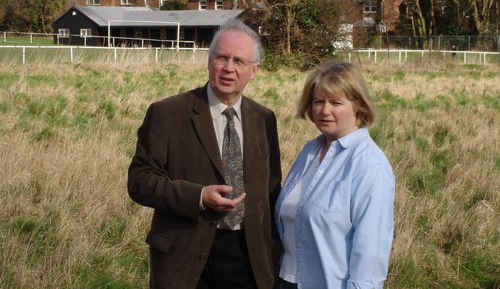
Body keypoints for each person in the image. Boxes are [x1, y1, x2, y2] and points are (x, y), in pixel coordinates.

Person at [128, 18, 282, 289]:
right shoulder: (168, 113)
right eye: (221, 57)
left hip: (249, 258)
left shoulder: (265, 119)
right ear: (209, 61)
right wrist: (198, 197)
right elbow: (140, 182)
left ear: (254, 70)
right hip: (185, 257)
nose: (229, 68)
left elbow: (271, 191)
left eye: (239, 61)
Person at [274, 61, 395, 289]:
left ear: (358, 105)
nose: (324, 110)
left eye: (336, 103)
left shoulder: (370, 166)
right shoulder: (310, 151)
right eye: (318, 102)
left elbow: (371, 252)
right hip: (285, 280)